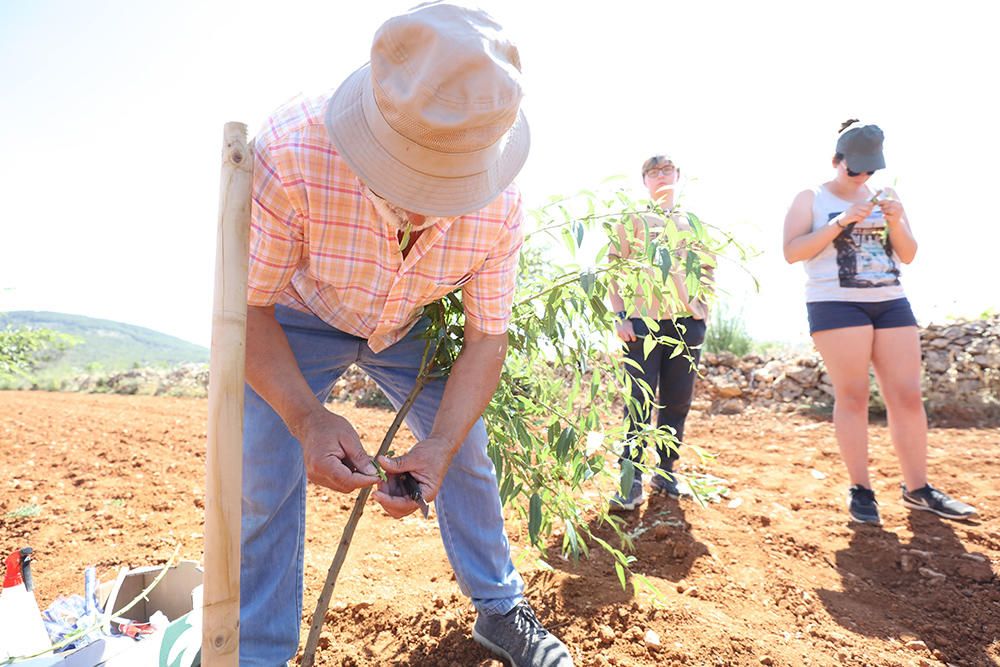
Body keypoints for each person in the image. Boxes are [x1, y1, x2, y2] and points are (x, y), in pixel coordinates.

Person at [239, 4, 573, 665]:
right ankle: (260, 649)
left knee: (468, 452)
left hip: (415, 320)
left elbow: (486, 338)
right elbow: (248, 311)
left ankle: (501, 609)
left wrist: (441, 443)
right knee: (263, 462)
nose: (420, 201)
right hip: (300, 314)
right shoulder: (291, 151)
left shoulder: (500, 203)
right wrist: (307, 417)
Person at [782, 120, 977, 525]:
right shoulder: (811, 197)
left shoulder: (886, 195)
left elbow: (907, 254)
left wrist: (896, 220)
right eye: (855, 169)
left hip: (890, 300)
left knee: (907, 395)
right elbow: (792, 251)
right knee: (852, 396)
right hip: (836, 303)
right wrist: (839, 222)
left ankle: (918, 489)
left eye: (870, 169)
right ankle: (862, 490)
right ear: (836, 161)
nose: (862, 177)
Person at [608, 154, 712, 511]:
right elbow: (615, 270)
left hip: (685, 323)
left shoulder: (692, 223)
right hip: (642, 323)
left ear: (678, 175)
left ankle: (666, 472)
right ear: (645, 181)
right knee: (638, 402)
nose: (661, 176)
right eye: (653, 172)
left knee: (677, 400)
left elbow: (708, 271)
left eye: (667, 170)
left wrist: (701, 314)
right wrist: (620, 316)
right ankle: (630, 481)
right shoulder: (633, 220)